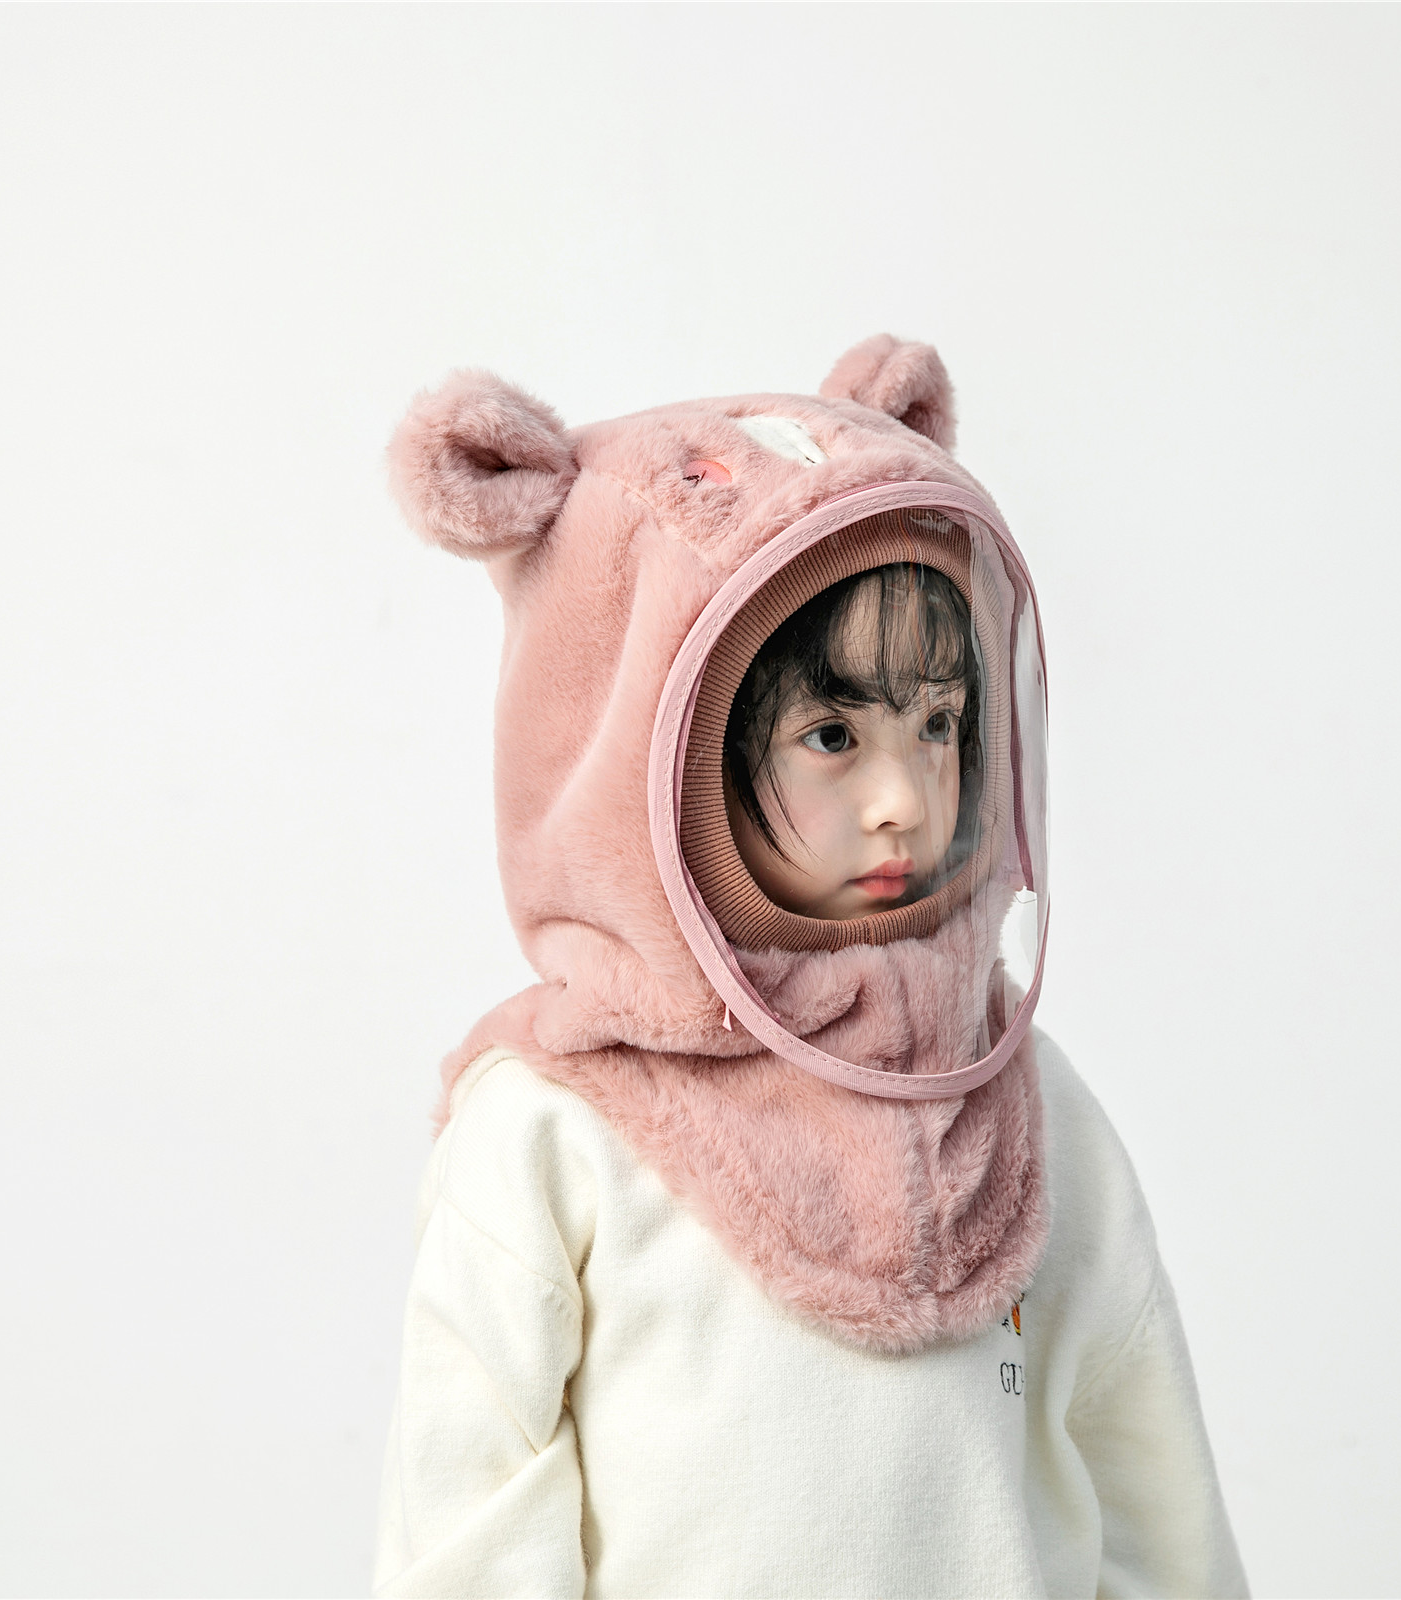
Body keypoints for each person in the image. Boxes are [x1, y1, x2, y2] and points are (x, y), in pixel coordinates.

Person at [374, 335, 1249, 1599]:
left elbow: (1148, 1491)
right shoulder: (554, 1133)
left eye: (939, 724)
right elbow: (470, 1530)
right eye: (832, 734)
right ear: (641, 749)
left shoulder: (1019, 1100)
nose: (905, 799)